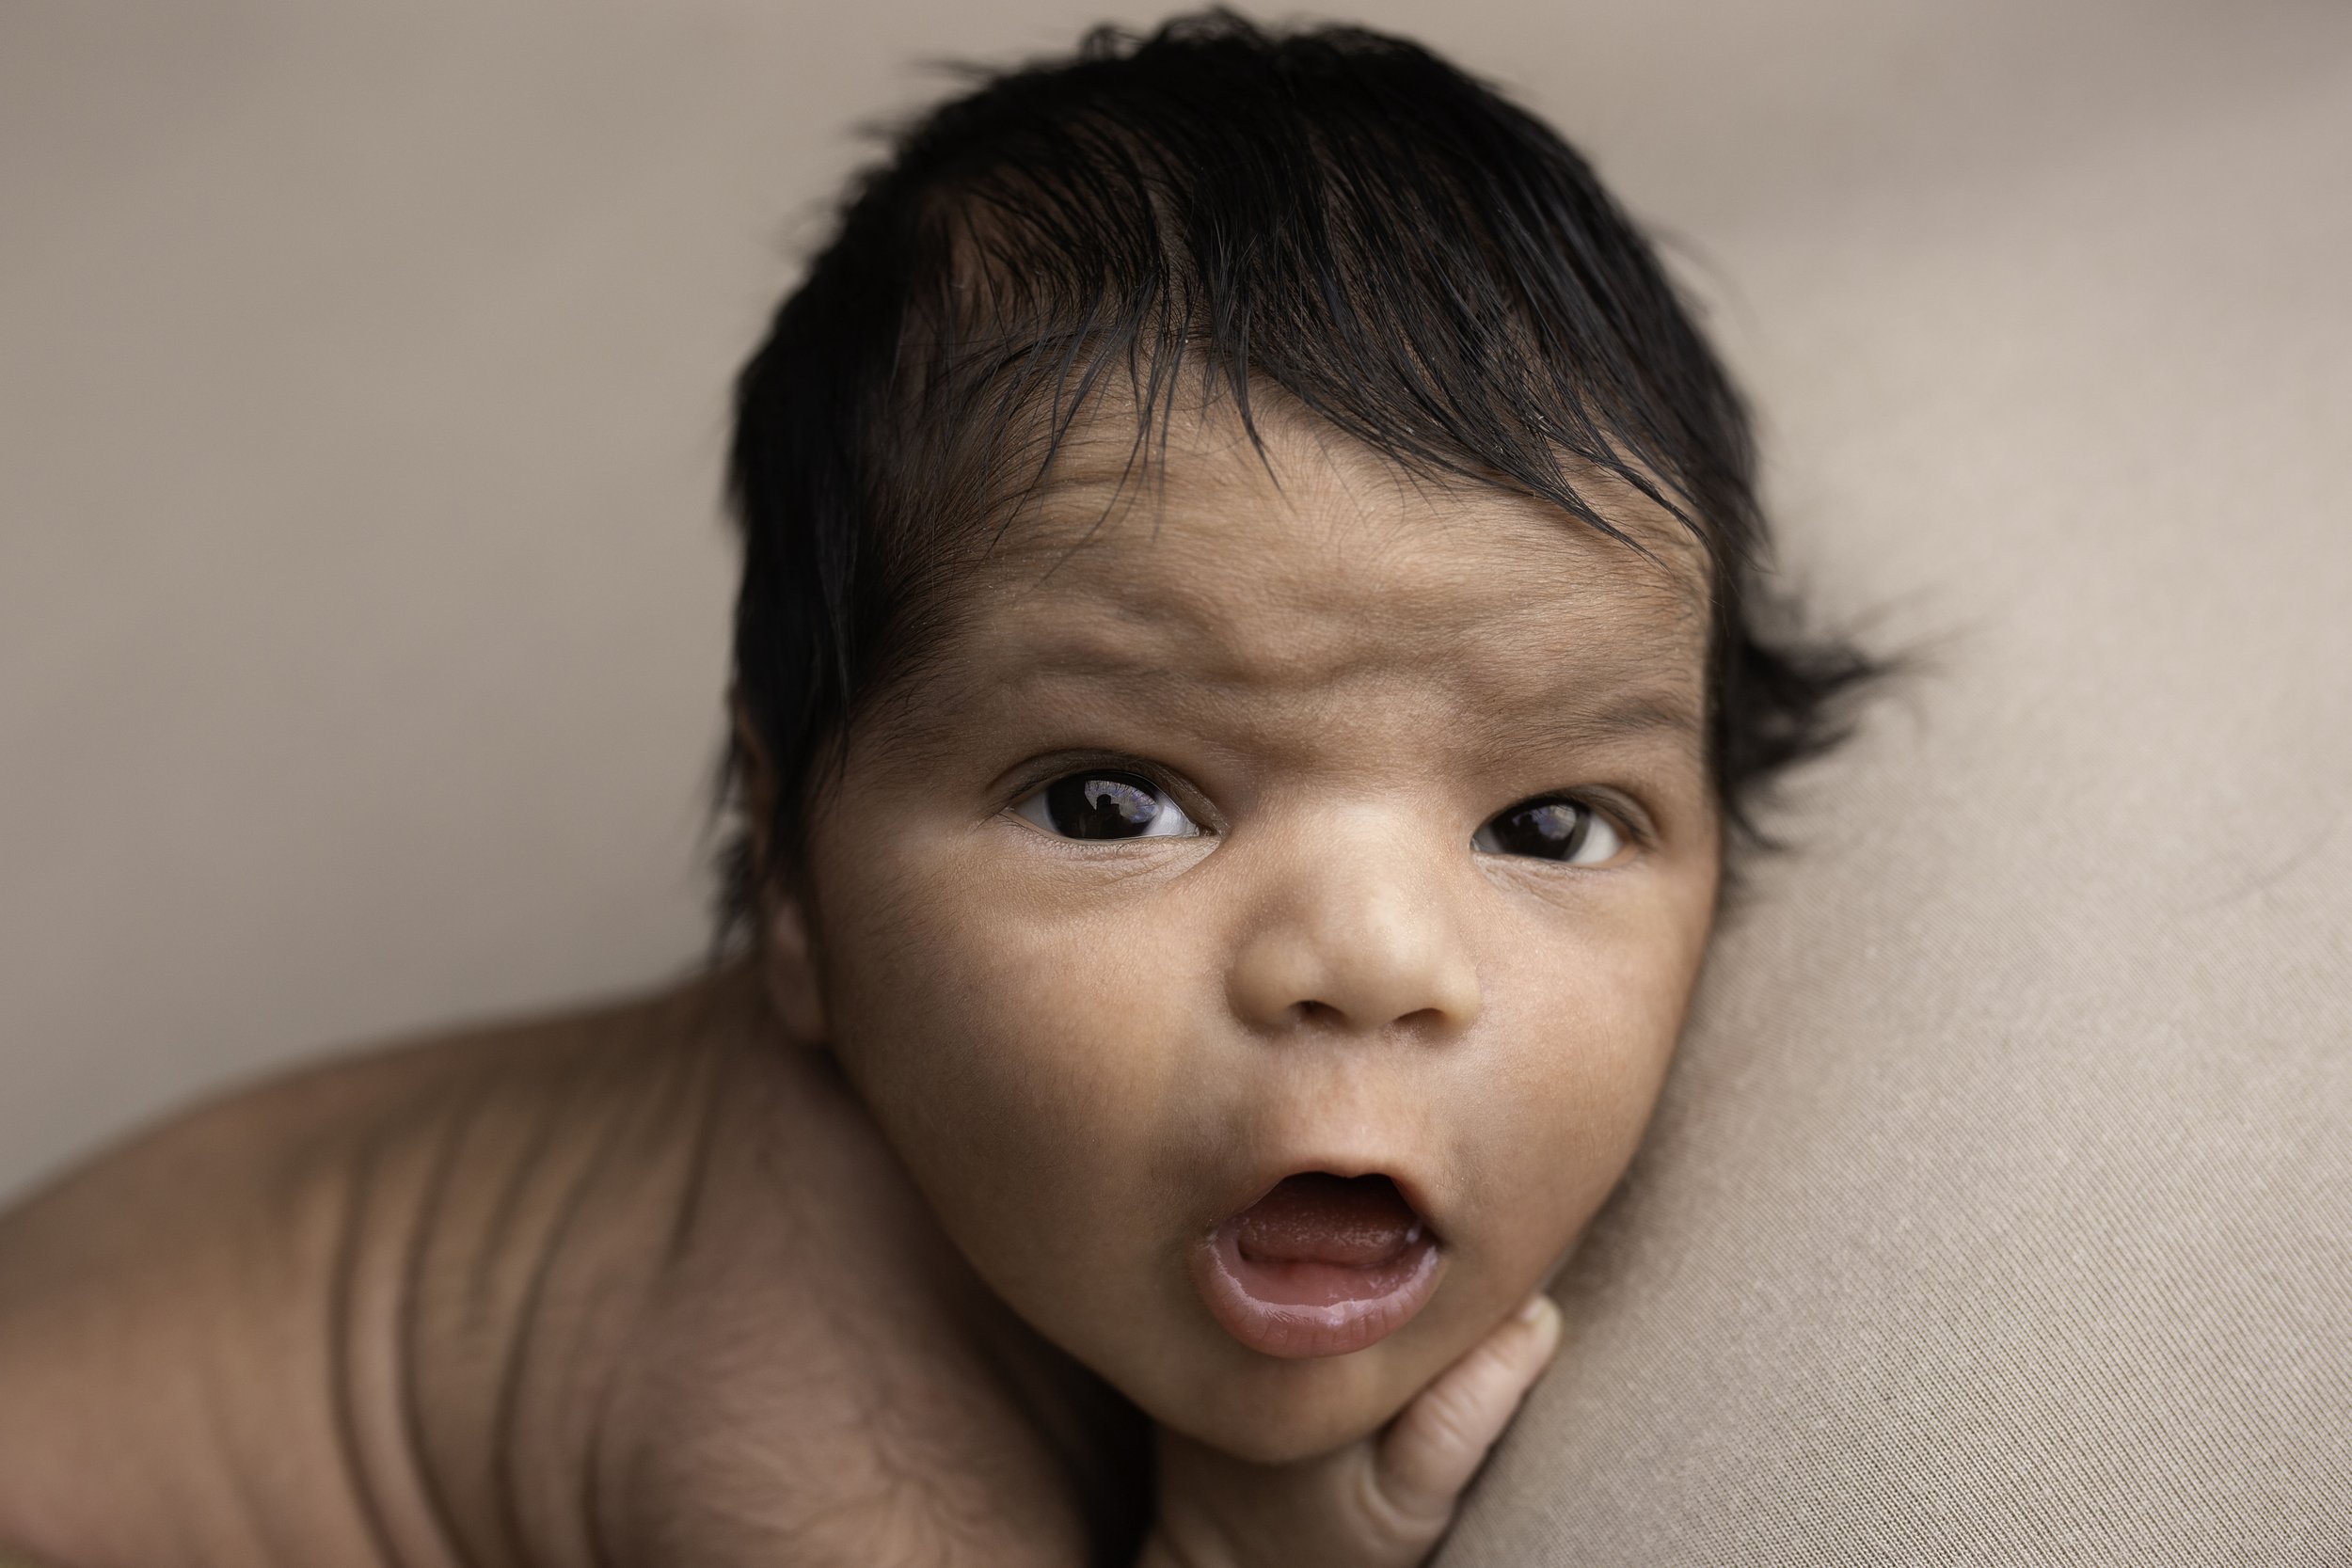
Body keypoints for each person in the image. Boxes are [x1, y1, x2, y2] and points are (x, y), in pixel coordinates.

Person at [0, 13, 1874, 1566]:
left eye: (1545, 825)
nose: (1371, 959)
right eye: (1112, 803)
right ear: (797, 896)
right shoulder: (822, 1419)